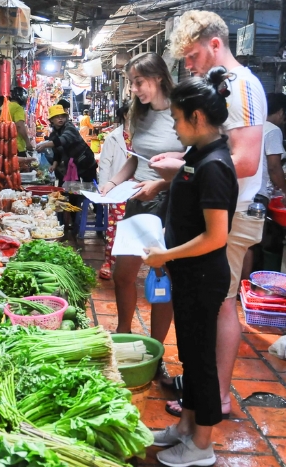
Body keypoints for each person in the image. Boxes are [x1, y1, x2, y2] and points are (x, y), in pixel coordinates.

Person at [155, 10, 266, 421]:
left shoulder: (244, 88)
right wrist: (180, 165)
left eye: (193, 55)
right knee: (205, 314)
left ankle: (213, 399)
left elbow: (246, 160)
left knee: (220, 305)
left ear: (216, 44)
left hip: (229, 215)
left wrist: (183, 169)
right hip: (213, 210)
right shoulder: (221, 90)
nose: (189, 64)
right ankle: (201, 395)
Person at [144, 67, 237, 467]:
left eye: (178, 120)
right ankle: (184, 427)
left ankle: (202, 445)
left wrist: (166, 256)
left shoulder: (215, 165)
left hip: (203, 275)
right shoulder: (198, 155)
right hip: (189, 272)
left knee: (200, 360)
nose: (176, 129)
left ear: (197, 118)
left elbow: (217, 236)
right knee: (189, 353)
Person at [100, 52, 186, 343]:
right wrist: (112, 182)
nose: (134, 90)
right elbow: (135, 160)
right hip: (139, 202)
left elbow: (195, 163)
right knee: (122, 275)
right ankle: (123, 333)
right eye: (131, 83)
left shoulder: (182, 111)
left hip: (173, 204)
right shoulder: (138, 113)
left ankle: (156, 347)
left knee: (162, 280)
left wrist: (161, 185)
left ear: (158, 77)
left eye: (139, 82)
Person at [242, 93, 286, 281]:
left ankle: (237, 286)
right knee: (252, 243)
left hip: (241, 191)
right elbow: (273, 167)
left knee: (240, 240)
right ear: (279, 111)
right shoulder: (272, 130)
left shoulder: (250, 126)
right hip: (258, 195)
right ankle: (245, 287)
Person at [98, 102, 131, 279]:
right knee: (114, 227)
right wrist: (105, 189)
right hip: (118, 189)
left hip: (140, 189)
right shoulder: (114, 137)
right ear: (126, 115)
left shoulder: (144, 136)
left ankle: (128, 264)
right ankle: (109, 262)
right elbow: (105, 164)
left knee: (135, 227)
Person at [36, 104, 97, 182]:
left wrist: (44, 145)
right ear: (51, 120)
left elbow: (63, 139)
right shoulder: (53, 134)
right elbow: (57, 153)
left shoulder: (69, 127)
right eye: (57, 116)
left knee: (90, 188)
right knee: (74, 191)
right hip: (74, 166)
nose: (60, 118)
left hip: (86, 162)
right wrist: (54, 165)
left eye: (62, 116)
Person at [0, 87, 35, 157]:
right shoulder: (18, 108)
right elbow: (19, 125)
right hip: (17, 146)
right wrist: (27, 141)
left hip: (4, 145)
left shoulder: (4, 106)